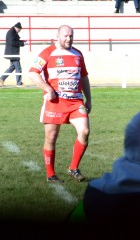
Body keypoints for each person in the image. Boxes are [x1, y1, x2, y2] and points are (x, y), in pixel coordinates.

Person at [28, 25, 92, 183]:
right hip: (55, 102)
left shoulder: (78, 54)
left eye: (71, 36)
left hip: (76, 101)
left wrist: (89, 99)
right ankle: (51, 175)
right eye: (65, 36)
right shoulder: (48, 52)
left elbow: (84, 77)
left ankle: (73, 168)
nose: (69, 39)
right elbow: (32, 72)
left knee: (84, 132)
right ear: (57, 36)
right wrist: (47, 88)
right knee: (51, 137)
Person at [1, 22, 25, 87]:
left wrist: (22, 42)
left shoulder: (11, 32)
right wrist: (22, 44)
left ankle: (2, 79)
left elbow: (14, 41)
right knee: (18, 68)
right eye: (19, 30)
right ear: (17, 28)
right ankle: (19, 83)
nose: (19, 31)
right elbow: (13, 42)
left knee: (12, 67)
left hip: (12, 53)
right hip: (13, 53)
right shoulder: (12, 32)